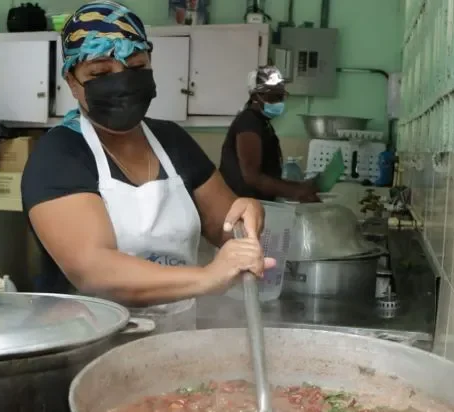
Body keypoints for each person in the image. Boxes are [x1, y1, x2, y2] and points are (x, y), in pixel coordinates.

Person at [21, 1, 273, 330]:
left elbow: (225, 227)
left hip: (177, 341)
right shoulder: (59, 155)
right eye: (99, 73)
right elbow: (94, 270)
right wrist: (207, 276)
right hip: (90, 346)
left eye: (137, 67)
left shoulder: (172, 141)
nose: (122, 84)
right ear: (72, 81)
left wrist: (247, 214)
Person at [219, 66, 320, 203]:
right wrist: (295, 192)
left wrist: (300, 186)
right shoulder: (249, 123)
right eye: (273, 96)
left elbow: (266, 173)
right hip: (242, 205)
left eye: (281, 96)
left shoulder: (262, 123)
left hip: (254, 203)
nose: (278, 101)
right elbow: (253, 177)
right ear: (256, 96)